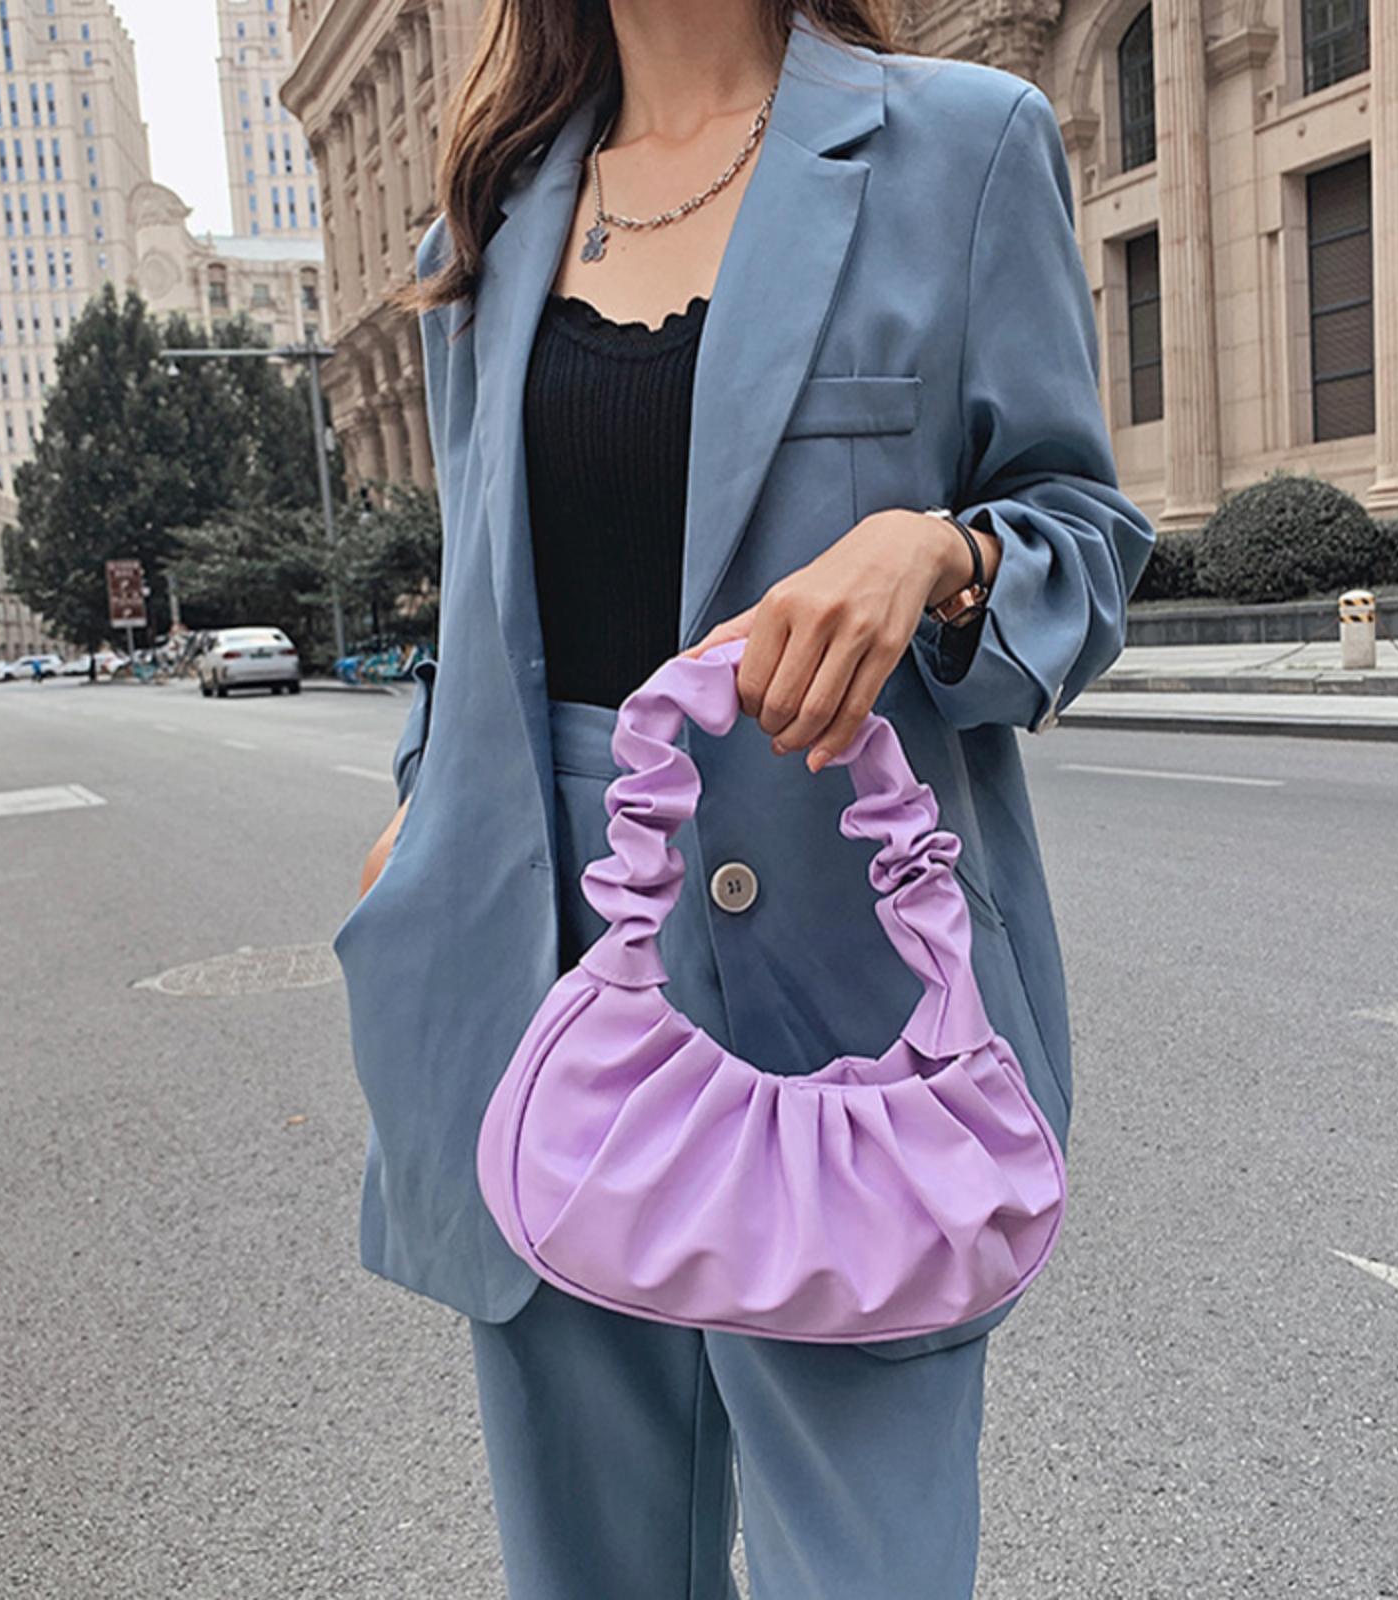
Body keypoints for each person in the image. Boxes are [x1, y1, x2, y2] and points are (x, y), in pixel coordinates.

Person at [336, 2, 1156, 1595]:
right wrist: (421, 801)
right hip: (538, 958)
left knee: (869, 1566)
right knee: (592, 1568)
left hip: (846, 974)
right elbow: (484, 582)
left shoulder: (959, 147)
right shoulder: (490, 227)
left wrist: (941, 551)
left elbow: (1087, 540)